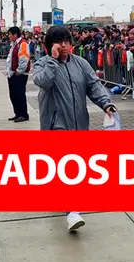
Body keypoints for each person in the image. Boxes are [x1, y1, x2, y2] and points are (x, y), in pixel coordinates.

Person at [32, 25, 117, 232]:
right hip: (56, 124)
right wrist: (52, 61)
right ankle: (72, 212)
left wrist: (106, 104)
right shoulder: (42, 63)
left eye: (66, 41)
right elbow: (42, 82)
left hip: (79, 123)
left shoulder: (81, 63)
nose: (63, 45)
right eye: (58, 42)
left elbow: (94, 86)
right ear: (49, 45)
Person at [6, 26, 31, 122]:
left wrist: (19, 71)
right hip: (12, 73)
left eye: (10, 34)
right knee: (13, 95)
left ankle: (23, 114)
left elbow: (24, 58)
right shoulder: (14, 44)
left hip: (19, 74)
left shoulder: (22, 44)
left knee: (19, 94)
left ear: (15, 34)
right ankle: (17, 113)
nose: (8, 36)